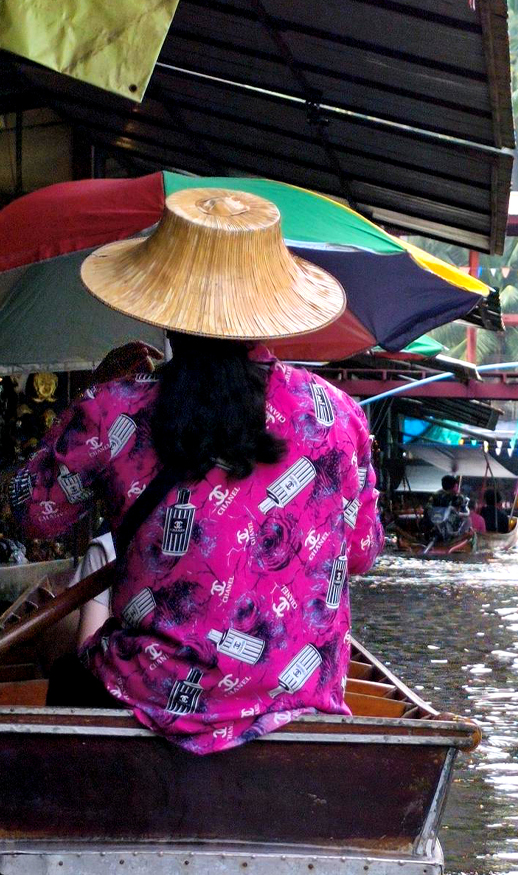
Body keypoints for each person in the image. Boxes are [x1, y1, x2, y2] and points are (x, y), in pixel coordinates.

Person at [11, 188, 383, 755]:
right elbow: (360, 554)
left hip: (149, 695)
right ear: (268, 312)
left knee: (68, 676)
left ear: (163, 305)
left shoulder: (114, 409)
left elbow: (32, 515)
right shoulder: (340, 417)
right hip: (299, 695)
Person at [426, 475, 470, 541]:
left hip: (433, 523)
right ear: (455, 486)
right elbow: (462, 508)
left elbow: (428, 508)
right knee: (467, 520)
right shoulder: (457, 497)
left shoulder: (435, 495)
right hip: (449, 524)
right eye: (457, 486)